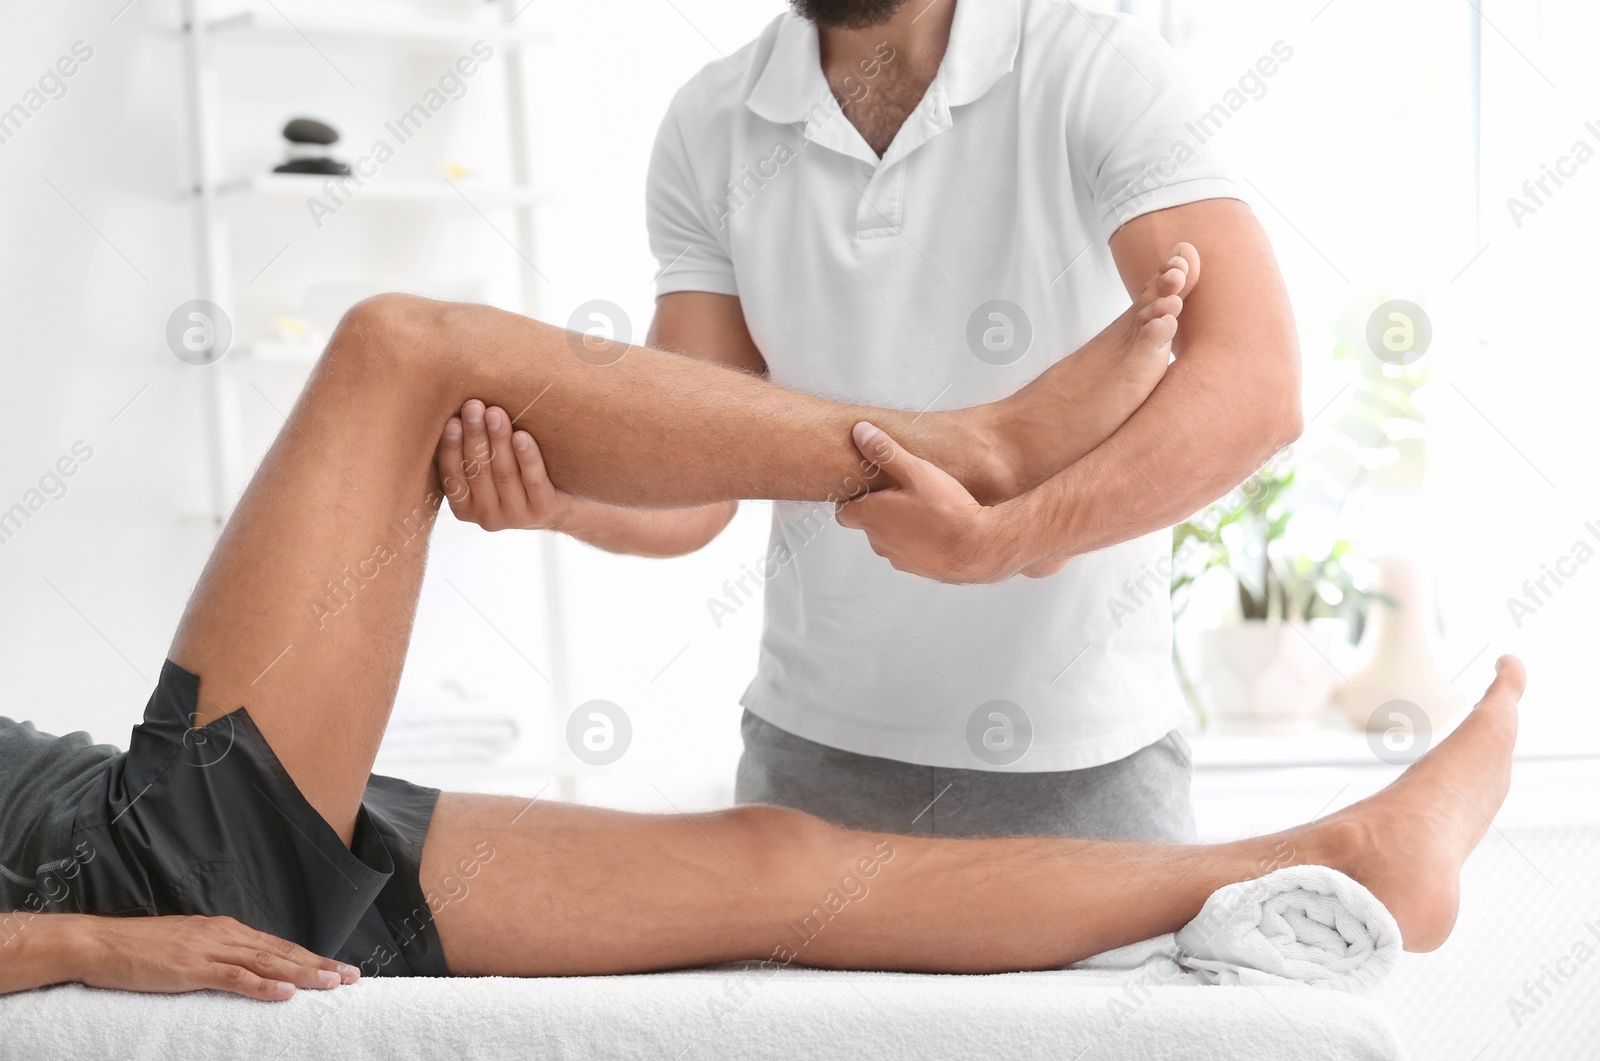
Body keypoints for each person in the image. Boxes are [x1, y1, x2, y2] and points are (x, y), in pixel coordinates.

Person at [0, 279, 1518, 999]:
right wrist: (92, 943)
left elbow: (683, 512)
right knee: (403, 351)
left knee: (789, 864)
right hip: (124, 871)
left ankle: (1343, 855)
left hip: (128, 833)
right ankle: (969, 441)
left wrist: (567, 512)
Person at [437, 0, 1303, 843]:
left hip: (1083, 763)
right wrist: (559, 501)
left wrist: (1005, 537)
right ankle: (994, 442)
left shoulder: (1094, 67)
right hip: (812, 762)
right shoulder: (712, 122)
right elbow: (694, 483)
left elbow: (1256, 382)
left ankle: (1001, 446)